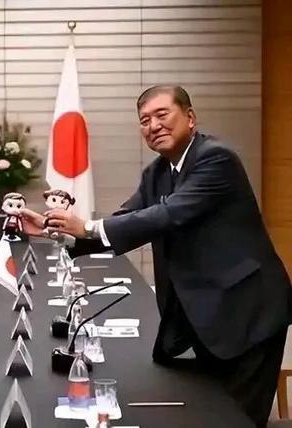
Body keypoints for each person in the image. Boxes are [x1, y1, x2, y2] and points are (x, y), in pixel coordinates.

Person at [22, 85, 292, 427]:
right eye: (144, 120)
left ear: (190, 118)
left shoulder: (216, 158)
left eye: (162, 115)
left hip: (248, 312)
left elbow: (167, 215)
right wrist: (55, 230)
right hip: (205, 313)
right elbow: (129, 220)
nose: (153, 126)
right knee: (208, 411)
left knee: (235, 418)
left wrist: (87, 226)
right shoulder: (158, 172)